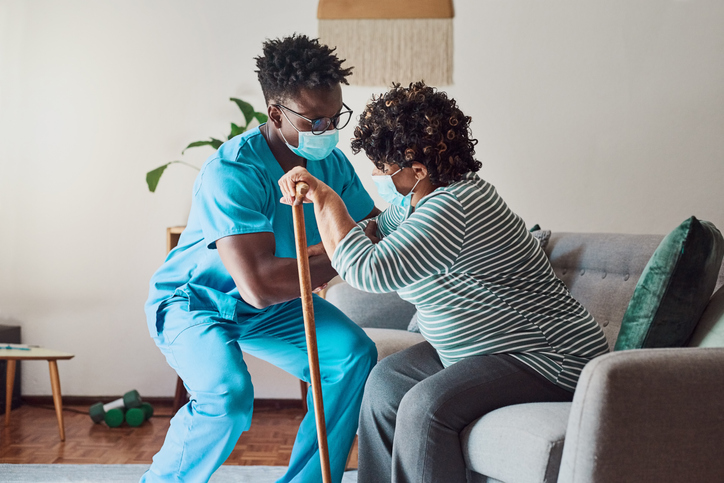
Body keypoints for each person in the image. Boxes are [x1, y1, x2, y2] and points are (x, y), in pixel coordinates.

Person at [278, 81, 610, 483]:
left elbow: (369, 270)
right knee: (384, 384)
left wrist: (326, 199)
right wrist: (324, 247)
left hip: (545, 357)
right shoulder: (419, 199)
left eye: (384, 168)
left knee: (425, 407)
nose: (377, 175)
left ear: (418, 169)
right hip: (481, 351)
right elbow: (378, 230)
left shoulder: (455, 206)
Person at [142, 34, 379, 483]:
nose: (327, 130)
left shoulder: (333, 165)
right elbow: (260, 283)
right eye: (314, 121)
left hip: (270, 310)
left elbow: (375, 226)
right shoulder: (234, 171)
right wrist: (343, 252)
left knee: (352, 356)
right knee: (228, 397)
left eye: (335, 117)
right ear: (275, 114)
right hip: (196, 303)